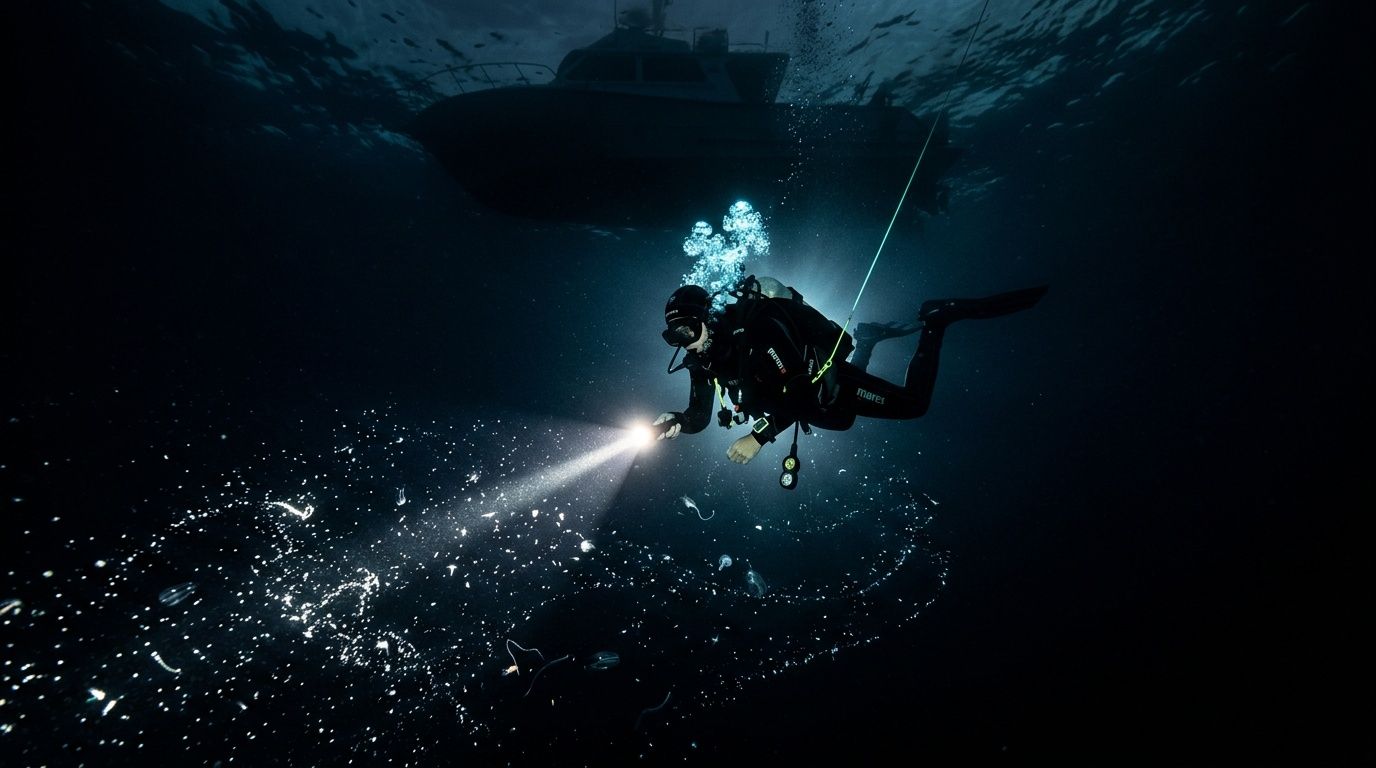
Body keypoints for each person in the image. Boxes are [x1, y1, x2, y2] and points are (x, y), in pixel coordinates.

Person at [653, 276, 1048, 465]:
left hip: (829, 389)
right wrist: (677, 421)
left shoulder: (758, 331)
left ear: (707, 317)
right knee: (840, 417)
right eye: (674, 337)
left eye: (687, 330)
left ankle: (936, 320)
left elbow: (799, 389)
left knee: (913, 405)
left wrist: (759, 437)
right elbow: (699, 415)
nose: (685, 342)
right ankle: (871, 338)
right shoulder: (703, 359)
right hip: (820, 409)